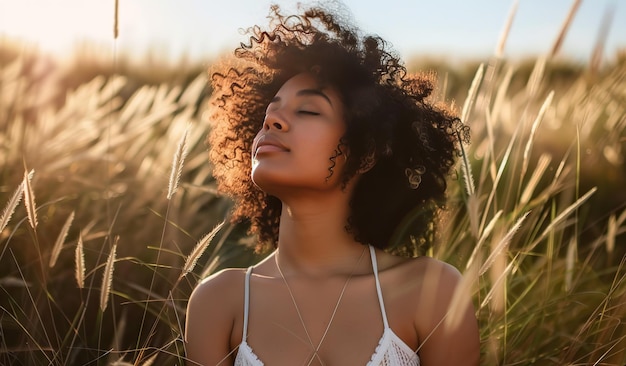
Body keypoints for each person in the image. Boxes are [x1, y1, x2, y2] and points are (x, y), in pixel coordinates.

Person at [185, 3, 480, 365]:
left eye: (308, 110)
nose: (274, 119)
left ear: (366, 152)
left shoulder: (431, 291)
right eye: (270, 110)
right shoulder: (219, 302)